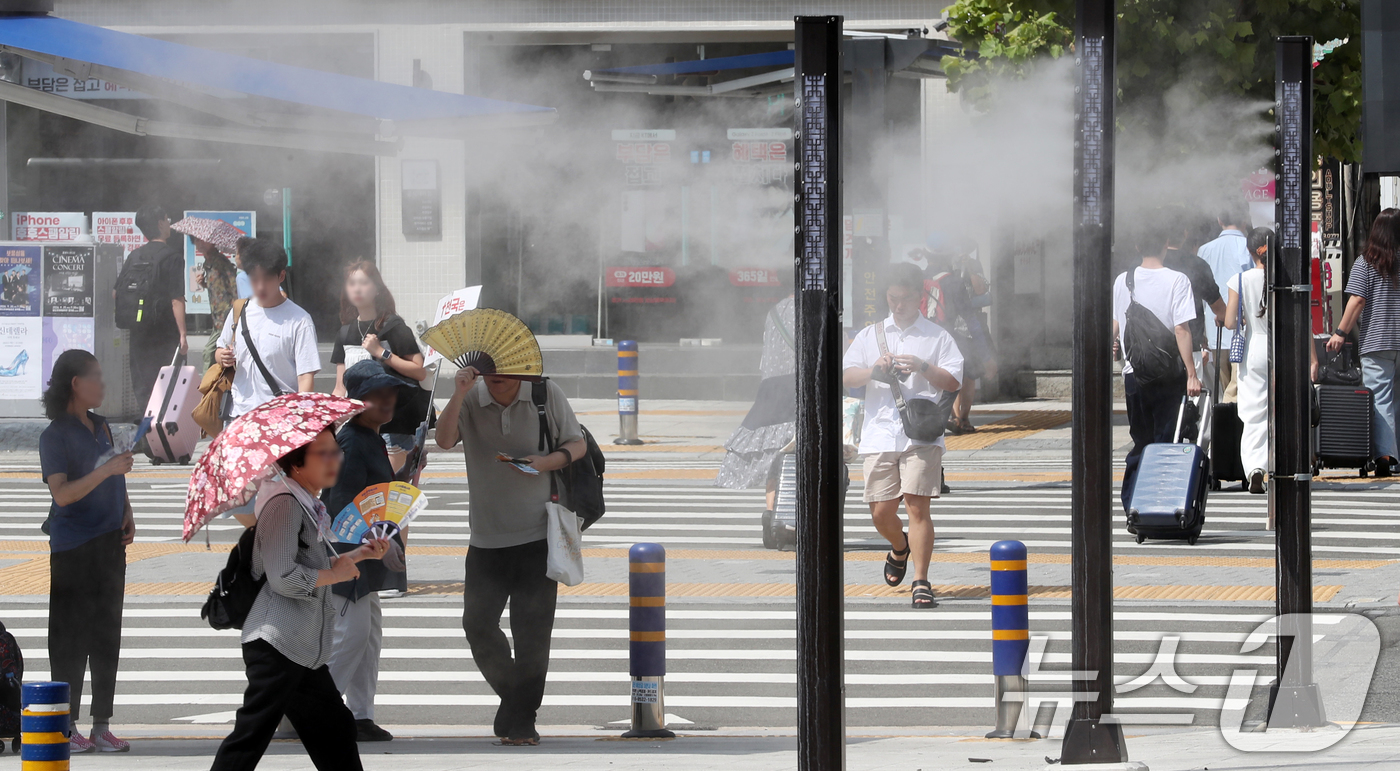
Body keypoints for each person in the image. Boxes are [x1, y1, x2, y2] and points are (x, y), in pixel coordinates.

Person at [209, 429, 390, 771]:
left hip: (301, 647)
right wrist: (335, 575)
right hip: (277, 644)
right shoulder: (283, 506)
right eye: (322, 453)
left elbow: (313, 563)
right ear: (295, 463)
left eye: (335, 451)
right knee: (251, 736)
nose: (334, 459)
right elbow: (284, 578)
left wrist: (360, 555)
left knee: (335, 729)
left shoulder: (306, 503)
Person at [436, 363, 587, 745]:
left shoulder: (544, 393)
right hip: (486, 538)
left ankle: (523, 722)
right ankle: (516, 701)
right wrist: (457, 391)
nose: (494, 374)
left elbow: (576, 443)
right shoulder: (470, 397)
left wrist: (544, 463)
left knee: (532, 635)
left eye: (502, 367)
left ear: (521, 366)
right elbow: (444, 439)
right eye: (486, 368)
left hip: (538, 535)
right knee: (477, 625)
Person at [841, 264, 963, 610]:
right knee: (880, 512)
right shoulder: (870, 335)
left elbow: (954, 381)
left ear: (919, 298)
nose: (898, 306)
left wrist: (924, 366)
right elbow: (849, 376)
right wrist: (874, 371)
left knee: (916, 507)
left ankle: (921, 581)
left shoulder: (937, 336)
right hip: (880, 431)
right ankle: (899, 547)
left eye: (905, 299)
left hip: (921, 434)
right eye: (892, 299)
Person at [39, 349, 135, 753]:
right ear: (76, 384)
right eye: (95, 376)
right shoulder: (54, 435)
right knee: (69, 639)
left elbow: (115, 472)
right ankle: (65, 725)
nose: (102, 383)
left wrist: (126, 509)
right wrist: (107, 471)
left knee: (106, 634)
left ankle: (101, 725)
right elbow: (62, 495)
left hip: (109, 543)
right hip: (73, 547)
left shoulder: (102, 426)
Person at [322, 360, 415, 743]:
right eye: (377, 395)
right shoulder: (352, 441)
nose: (386, 402)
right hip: (351, 558)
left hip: (368, 556)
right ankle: (313, 709)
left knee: (369, 635)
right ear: (358, 401)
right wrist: (380, 541)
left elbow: (376, 495)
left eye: (390, 394)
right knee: (352, 635)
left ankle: (360, 714)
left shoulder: (370, 438)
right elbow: (343, 506)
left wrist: (408, 468)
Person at [215, 239, 321, 527]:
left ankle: (278, 548)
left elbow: (306, 376)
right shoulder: (239, 312)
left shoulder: (299, 320)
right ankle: (267, 540)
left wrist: (299, 423)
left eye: (266, 279)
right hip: (240, 419)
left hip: (278, 423)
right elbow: (221, 347)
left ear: (281, 276)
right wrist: (222, 356)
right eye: (253, 279)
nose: (259, 286)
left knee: (279, 496)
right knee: (235, 498)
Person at [1112, 221, 1202, 511]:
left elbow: (1115, 325)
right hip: (1167, 375)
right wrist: (1191, 372)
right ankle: (1161, 505)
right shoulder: (1177, 280)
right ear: (1165, 243)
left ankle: (1132, 506)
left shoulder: (1123, 280)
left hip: (1134, 375)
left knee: (1140, 439)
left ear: (1137, 247)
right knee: (1166, 441)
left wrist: (1113, 348)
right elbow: (1182, 330)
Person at [331, 261, 429, 472]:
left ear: (376, 289)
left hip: (395, 422)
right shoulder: (345, 333)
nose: (357, 289)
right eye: (351, 283)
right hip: (359, 425)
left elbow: (419, 371)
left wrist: (381, 353)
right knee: (367, 494)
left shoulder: (394, 327)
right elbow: (340, 386)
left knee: (391, 492)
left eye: (364, 283)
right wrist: (331, 421)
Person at [1329, 208, 1400, 477]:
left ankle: (1385, 455)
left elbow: (1357, 300)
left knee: (1380, 399)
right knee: (1397, 400)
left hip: (1378, 341)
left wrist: (1340, 332)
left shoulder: (1366, 262)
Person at [716, 289, 795, 517]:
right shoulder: (812, 310)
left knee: (773, 455)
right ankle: (795, 515)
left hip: (771, 388)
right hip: (799, 385)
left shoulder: (774, 312)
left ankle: (771, 516)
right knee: (797, 453)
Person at [122, 205, 188, 406]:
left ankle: (146, 433)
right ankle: (164, 434)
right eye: (167, 219)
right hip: (165, 332)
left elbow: (118, 292)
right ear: (160, 224)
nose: (169, 224)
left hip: (138, 332)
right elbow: (176, 299)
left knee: (144, 387)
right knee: (169, 386)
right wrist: (183, 334)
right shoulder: (173, 257)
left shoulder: (134, 256)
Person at [1224, 228, 1273, 494]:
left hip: (1253, 348)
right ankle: (1279, 463)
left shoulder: (1239, 279)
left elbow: (1230, 322)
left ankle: (1255, 467)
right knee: (1279, 412)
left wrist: (1244, 317)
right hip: (1279, 350)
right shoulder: (1282, 278)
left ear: (1250, 251)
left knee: (1254, 413)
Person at [1195, 204, 1253, 402]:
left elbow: (1199, 294)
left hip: (1214, 330)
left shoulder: (1204, 250)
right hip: (1244, 330)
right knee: (1241, 389)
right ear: (1245, 220)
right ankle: (1238, 429)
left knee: (1222, 390)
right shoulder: (1249, 247)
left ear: (1220, 220)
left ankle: (1226, 429)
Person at [1164, 217, 1228, 390]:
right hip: (1190, 349)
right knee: (1193, 412)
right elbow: (1219, 307)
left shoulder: (1147, 265)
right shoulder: (1196, 264)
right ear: (1185, 233)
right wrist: (1228, 318)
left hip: (1150, 349)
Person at [198, 237, 239, 371]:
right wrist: (204, 283)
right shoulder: (208, 263)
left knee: (209, 352)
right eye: (197, 242)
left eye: (203, 241)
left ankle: (206, 387)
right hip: (217, 318)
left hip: (225, 316)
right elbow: (217, 287)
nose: (199, 245)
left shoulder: (221, 262)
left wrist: (234, 313)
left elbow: (233, 286)